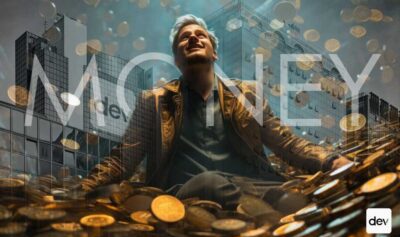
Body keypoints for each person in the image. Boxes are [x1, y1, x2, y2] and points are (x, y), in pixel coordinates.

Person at [81, 14, 351, 217]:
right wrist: (81, 192)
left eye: (201, 35)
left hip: (256, 187)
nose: (194, 38)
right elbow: (122, 160)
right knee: (211, 183)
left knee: (297, 201)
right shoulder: (153, 102)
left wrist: (330, 160)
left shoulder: (249, 95)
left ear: (214, 51)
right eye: (184, 38)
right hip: (188, 193)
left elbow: (287, 144)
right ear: (176, 58)